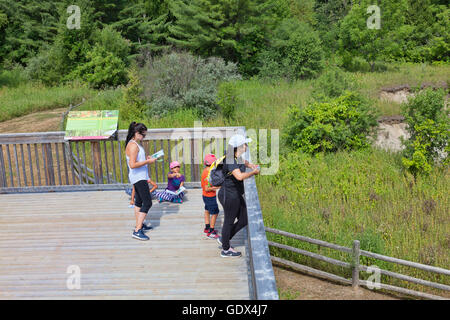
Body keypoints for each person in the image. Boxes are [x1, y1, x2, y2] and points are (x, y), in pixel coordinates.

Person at [217, 134, 260, 258]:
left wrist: (250, 165)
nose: (247, 146)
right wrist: (253, 172)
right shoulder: (230, 159)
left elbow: (243, 162)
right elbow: (239, 176)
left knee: (244, 218)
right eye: (245, 144)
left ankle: (225, 238)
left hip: (234, 194)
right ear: (239, 146)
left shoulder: (236, 156)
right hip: (229, 195)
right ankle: (225, 249)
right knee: (229, 222)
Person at [125, 122, 157, 241]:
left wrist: (145, 159)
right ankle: (137, 230)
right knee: (147, 202)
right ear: (136, 133)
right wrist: (148, 162)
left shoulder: (132, 143)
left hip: (138, 177)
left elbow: (136, 160)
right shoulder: (133, 146)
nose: (144, 137)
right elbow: (132, 165)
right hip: (139, 177)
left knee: (138, 202)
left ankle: (139, 224)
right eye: (143, 135)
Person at [201, 154, 221, 239]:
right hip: (209, 196)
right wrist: (218, 187)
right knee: (215, 212)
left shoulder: (206, 170)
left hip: (205, 196)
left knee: (207, 210)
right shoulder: (207, 173)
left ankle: (207, 227)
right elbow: (207, 188)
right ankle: (211, 231)